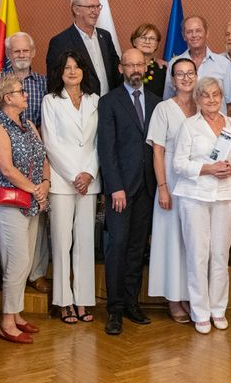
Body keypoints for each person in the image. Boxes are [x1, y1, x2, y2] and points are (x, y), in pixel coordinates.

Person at [171, 77, 231, 334]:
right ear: (198, 99)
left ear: (222, 97)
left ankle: (218, 309)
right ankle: (200, 311)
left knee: (220, 254)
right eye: (206, 96)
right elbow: (179, 164)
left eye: (216, 95)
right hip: (195, 197)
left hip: (225, 196)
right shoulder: (189, 126)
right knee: (198, 255)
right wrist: (207, 168)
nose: (212, 100)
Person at [0, 73, 48, 344]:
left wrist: (44, 183)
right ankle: (7, 322)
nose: (26, 95)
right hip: (6, 201)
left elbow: (43, 156)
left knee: (24, 261)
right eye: (21, 91)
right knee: (17, 261)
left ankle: (17, 313)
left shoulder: (29, 125)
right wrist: (35, 189)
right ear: (7, 98)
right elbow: (6, 169)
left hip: (31, 201)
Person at [98, 49, 160, 335]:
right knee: (117, 246)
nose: (135, 69)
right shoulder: (109, 102)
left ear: (145, 67)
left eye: (140, 64)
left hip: (147, 189)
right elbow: (106, 150)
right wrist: (115, 188)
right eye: (130, 64)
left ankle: (132, 303)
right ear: (121, 68)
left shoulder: (156, 102)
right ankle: (114, 310)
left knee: (137, 249)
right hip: (121, 190)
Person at [41, 51, 101, 325]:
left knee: (85, 242)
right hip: (62, 181)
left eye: (77, 67)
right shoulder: (51, 101)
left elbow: (100, 142)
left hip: (89, 180)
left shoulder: (95, 101)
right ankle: (64, 301)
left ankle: (83, 298)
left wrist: (88, 173)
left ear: (84, 71)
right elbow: (51, 143)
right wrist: (74, 174)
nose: (72, 71)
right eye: (67, 67)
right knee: (62, 241)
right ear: (60, 72)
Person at [145, 58, 197, 324]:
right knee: (171, 241)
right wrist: (162, 188)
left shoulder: (204, 106)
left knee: (191, 242)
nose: (185, 78)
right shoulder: (163, 109)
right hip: (171, 181)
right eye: (180, 74)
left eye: (190, 73)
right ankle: (172, 299)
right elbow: (157, 150)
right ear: (173, 79)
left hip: (198, 184)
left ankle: (189, 295)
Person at [46, 0, 121, 95]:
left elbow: (115, 72)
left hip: (108, 105)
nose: (96, 12)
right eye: (91, 7)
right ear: (76, 9)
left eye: (98, 6)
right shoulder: (60, 42)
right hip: (80, 107)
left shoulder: (105, 36)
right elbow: (54, 83)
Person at [164, 16, 231, 113]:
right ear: (184, 36)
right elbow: (168, 99)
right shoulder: (174, 64)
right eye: (189, 32)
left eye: (198, 30)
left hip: (214, 125)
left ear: (207, 33)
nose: (194, 35)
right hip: (182, 124)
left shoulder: (224, 64)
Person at [129, 23, 167, 98]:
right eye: (143, 37)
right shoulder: (125, 66)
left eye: (152, 38)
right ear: (134, 42)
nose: (147, 41)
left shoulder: (162, 68)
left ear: (156, 45)